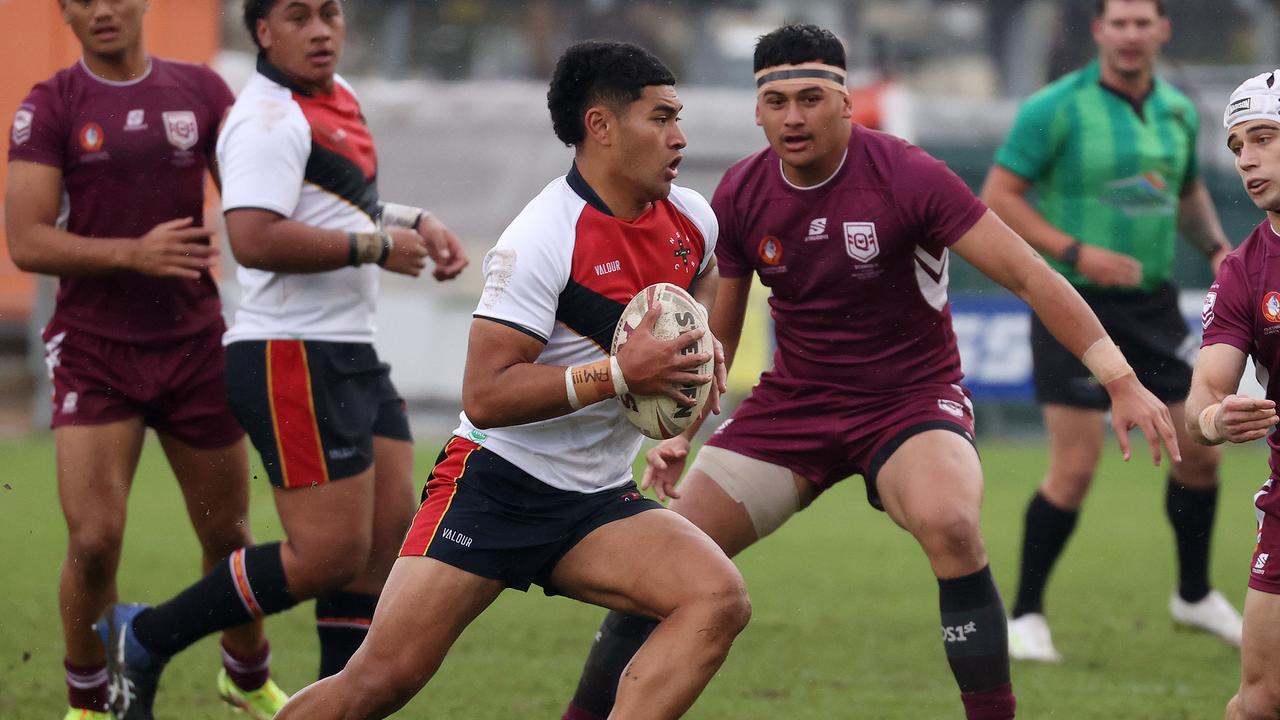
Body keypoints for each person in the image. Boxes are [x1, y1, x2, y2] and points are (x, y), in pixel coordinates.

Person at [560, 23, 1181, 720]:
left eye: (812, 97)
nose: (794, 117)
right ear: (757, 111)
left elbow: (1031, 276)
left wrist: (1120, 379)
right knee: (668, 565)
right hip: (794, 406)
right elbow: (721, 329)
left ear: (847, 102)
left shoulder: (908, 176)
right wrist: (683, 426)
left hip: (910, 402)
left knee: (951, 524)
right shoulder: (740, 192)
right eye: (778, 101)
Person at [272, 39, 751, 720]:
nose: (680, 137)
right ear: (602, 126)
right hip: (495, 487)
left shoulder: (691, 217)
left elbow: (704, 270)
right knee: (378, 681)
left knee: (717, 598)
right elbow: (486, 395)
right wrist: (620, 372)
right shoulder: (540, 240)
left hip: (596, 502)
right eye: (662, 118)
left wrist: (698, 336)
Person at [89, 1, 468, 718]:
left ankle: (335, 704)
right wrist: (379, 246)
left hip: (348, 348)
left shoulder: (340, 99)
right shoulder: (265, 119)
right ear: (263, 31)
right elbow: (254, 237)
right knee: (326, 553)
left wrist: (411, 221)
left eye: (330, 13)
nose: (321, 29)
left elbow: (336, 207)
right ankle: (143, 634)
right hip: (287, 353)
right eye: (299, 16)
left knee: (381, 543)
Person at [4, 1, 288, 719]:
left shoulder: (201, 92)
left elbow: (257, 203)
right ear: (64, 11)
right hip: (96, 353)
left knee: (227, 535)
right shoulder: (50, 106)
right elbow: (27, 241)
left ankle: (246, 678)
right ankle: (89, 703)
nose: (102, 9)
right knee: (95, 540)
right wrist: (134, 253)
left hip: (193, 343)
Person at [981, 0, 1240, 663]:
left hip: (1152, 308)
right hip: (1074, 305)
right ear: (1098, 31)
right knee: (1074, 469)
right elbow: (999, 198)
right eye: (1117, 23)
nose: (1129, 34)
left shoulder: (1179, 110)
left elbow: (1183, 193)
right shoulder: (1053, 107)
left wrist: (1216, 248)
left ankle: (1192, 593)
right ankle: (1027, 614)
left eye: (1141, 22)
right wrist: (1075, 251)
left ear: (1162, 30)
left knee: (1200, 447)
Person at [1190, 70, 1280, 720]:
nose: (1247, 158)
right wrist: (1218, 419)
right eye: (1237, 145)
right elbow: (1203, 399)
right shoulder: (1244, 270)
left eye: (1264, 138)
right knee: (1259, 702)